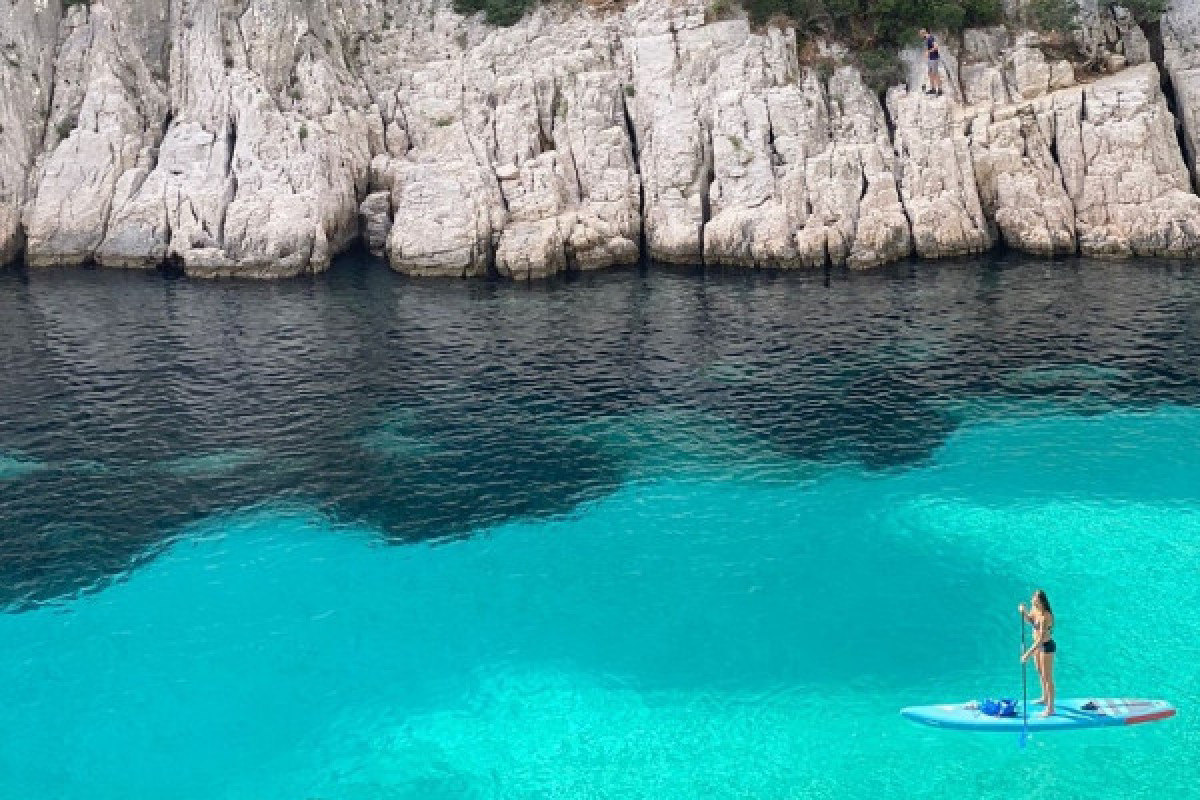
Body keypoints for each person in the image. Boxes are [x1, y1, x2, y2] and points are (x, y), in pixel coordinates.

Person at [1019, 589, 1056, 717]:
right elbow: (1030, 620)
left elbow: (1041, 640)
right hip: (1038, 647)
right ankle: (1044, 697)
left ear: (1041, 602)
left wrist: (1027, 655)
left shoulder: (1046, 616)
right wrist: (1023, 612)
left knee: (1048, 678)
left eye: (1034, 601)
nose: (1032, 602)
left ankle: (1051, 708)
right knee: (1040, 672)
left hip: (1046, 647)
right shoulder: (1035, 610)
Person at [919, 28, 943, 96]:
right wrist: (927, 53)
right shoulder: (926, 39)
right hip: (930, 58)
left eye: (920, 34)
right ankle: (933, 88)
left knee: (935, 73)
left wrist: (928, 52)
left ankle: (940, 90)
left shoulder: (930, 38)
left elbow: (936, 47)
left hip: (934, 58)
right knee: (930, 73)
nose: (920, 36)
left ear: (923, 33)